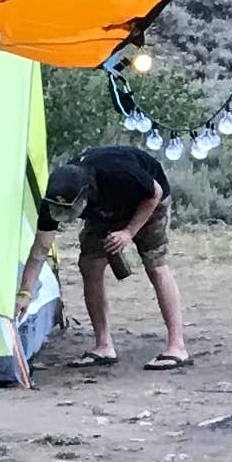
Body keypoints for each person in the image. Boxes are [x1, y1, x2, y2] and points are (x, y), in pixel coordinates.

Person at [48, 143, 188, 367]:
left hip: (147, 201)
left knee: (156, 266)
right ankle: (103, 346)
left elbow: (155, 193)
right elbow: (40, 249)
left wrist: (128, 232)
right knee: (89, 265)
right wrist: (25, 293)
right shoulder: (60, 192)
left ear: (86, 192)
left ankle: (177, 348)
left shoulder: (119, 172)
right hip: (104, 210)